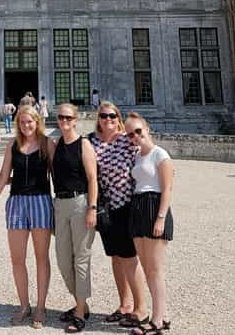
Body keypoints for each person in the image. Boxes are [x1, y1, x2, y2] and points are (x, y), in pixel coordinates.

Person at [0, 105, 55, 329]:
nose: (26, 126)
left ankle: (40, 307)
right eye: (22, 122)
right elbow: (3, 177)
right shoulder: (12, 145)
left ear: (37, 122)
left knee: (41, 258)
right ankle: (24, 305)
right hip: (16, 202)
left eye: (30, 122)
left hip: (40, 201)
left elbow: (59, 176)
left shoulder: (47, 144)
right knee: (17, 259)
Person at [87, 102, 148, 328]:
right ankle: (124, 304)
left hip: (126, 206)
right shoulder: (92, 141)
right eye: (104, 116)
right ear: (98, 118)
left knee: (129, 257)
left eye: (112, 115)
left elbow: (147, 154)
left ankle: (141, 308)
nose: (108, 119)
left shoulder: (127, 138)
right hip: (106, 207)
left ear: (118, 117)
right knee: (115, 256)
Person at [51, 104, 98, 333]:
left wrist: (92, 207)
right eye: (60, 117)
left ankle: (79, 312)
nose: (64, 120)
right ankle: (83, 303)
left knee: (81, 258)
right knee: (62, 259)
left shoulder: (84, 144)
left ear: (76, 119)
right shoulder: (55, 145)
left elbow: (92, 179)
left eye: (68, 117)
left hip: (80, 203)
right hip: (59, 204)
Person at [125, 112, 174, 335]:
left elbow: (167, 189)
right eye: (131, 134)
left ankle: (157, 321)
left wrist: (161, 218)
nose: (135, 136)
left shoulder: (160, 154)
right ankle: (160, 315)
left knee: (155, 269)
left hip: (154, 207)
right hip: (137, 207)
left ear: (147, 129)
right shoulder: (137, 156)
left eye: (138, 131)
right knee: (146, 268)